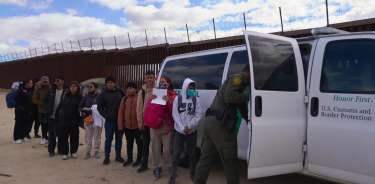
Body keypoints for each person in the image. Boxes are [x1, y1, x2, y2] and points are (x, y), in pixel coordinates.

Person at [195, 64, 250, 184]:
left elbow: (241, 106)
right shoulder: (238, 79)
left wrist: (250, 122)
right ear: (250, 73)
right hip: (220, 124)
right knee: (230, 162)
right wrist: (250, 95)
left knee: (205, 160)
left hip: (212, 122)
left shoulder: (240, 86)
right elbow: (230, 97)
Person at [168, 78, 202, 184]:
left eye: (193, 88)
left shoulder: (196, 100)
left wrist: (189, 126)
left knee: (192, 154)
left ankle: (193, 174)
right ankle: (172, 177)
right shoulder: (178, 99)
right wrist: (183, 128)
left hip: (192, 132)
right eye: (190, 88)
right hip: (179, 132)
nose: (191, 90)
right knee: (176, 154)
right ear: (185, 88)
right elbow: (175, 115)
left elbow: (198, 115)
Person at [149, 76, 178, 179]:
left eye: (164, 82)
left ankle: (171, 167)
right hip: (154, 124)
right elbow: (150, 109)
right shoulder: (155, 93)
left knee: (168, 148)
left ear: (168, 83)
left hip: (166, 124)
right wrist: (151, 100)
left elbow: (175, 110)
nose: (162, 84)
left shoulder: (173, 95)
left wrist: (169, 101)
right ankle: (157, 167)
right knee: (155, 147)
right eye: (160, 82)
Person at [97, 76, 126, 165]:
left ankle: (118, 155)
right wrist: (107, 116)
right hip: (110, 121)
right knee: (108, 139)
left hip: (120, 120)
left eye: (112, 82)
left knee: (119, 139)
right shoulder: (102, 95)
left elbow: (126, 102)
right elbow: (100, 108)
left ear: (115, 83)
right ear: (106, 84)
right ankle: (107, 157)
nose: (110, 84)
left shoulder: (120, 92)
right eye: (108, 82)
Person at [118, 82, 143, 167]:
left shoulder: (140, 98)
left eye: (130, 88)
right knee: (129, 143)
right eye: (127, 88)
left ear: (136, 89)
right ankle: (129, 159)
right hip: (127, 126)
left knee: (139, 143)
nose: (128, 90)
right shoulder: (124, 99)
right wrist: (121, 125)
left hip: (138, 126)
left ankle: (139, 159)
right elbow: (121, 112)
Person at [136, 70, 157, 173]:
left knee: (156, 144)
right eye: (147, 78)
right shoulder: (142, 91)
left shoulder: (159, 89)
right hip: (145, 122)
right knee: (145, 143)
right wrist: (140, 122)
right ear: (145, 79)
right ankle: (144, 164)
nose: (149, 79)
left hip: (156, 122)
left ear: (155, 78)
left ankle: (157, 165)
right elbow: (139, 107)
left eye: (151, 77)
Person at [43, 74, 68, 157]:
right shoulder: (51, 90)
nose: (56, 81)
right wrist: (47, 108)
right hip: (51, 115)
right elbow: (45, 100)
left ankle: (60, 149)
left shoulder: (66, 91)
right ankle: (51, 150)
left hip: (62, 117)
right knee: (51, 133)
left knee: (61, 133)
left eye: (58, 80)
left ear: (63, 81)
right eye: (55, 80)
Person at [57, 81, 83, 160]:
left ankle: (73, 152)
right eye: (71, 86)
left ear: (77, 88)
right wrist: (57, 115)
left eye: (74, 86)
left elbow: (81, 107)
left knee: (74, 137)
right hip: (64, 119)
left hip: (74, 119)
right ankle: (65, 152)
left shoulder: (80, 97)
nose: (72, 88)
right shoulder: (65, 95)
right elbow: (60, 105)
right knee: (63, 137)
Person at [79, 82, 101, 159]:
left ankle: (96, 150)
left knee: (97, 135)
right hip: (88, 118)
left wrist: (90, 108)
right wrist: (82, 111)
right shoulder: (85, 97)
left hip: (97, 118)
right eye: (88, 86)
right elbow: (80, 107)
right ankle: (88, 151)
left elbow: (101, 106)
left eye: (91, 86)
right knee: (88, 135)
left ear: (95, 88)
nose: (89, 88)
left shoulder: (99, 97)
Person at [13, 79, 34, 144]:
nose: (32, 84)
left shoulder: (29, 90)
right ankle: (16, 138)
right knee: (19, 124)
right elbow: (16, 98)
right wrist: (23, 93)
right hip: (20, 110)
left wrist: (30, 109)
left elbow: (29, 100)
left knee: (24, 124)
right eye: (30, 83)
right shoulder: (20, 89)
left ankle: (22, 136)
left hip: (27, 110)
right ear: (26, 84)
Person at [32, 76, 50, 145]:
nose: (45, 83)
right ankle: (44, 137)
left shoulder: (51, 88)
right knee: (43, 124)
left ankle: (51, 137)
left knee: (51, 124)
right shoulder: (37, 89)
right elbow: (34, 100)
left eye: (46, 82)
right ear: (41, 82)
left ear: (48, 82)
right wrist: (43, 103)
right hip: (42, 110)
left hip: (50, 110)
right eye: (43, 82)